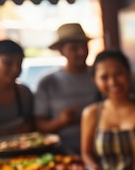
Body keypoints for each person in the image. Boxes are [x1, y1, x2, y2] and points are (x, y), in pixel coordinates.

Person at [80, 49, 135, 170]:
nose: (113, 82)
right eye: (104, 77)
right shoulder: (91, 114)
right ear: (94, 81)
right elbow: (86, 153)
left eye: (118, 74)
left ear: (128, 73)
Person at [34, 23, 100, 154]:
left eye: (84, 46)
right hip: (62, 154)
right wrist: (61, 122)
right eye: (74, 48)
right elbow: (38, 125)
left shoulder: (101, 76)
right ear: (61, 51)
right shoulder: (48, 82)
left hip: (100, 150)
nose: (81, 52)